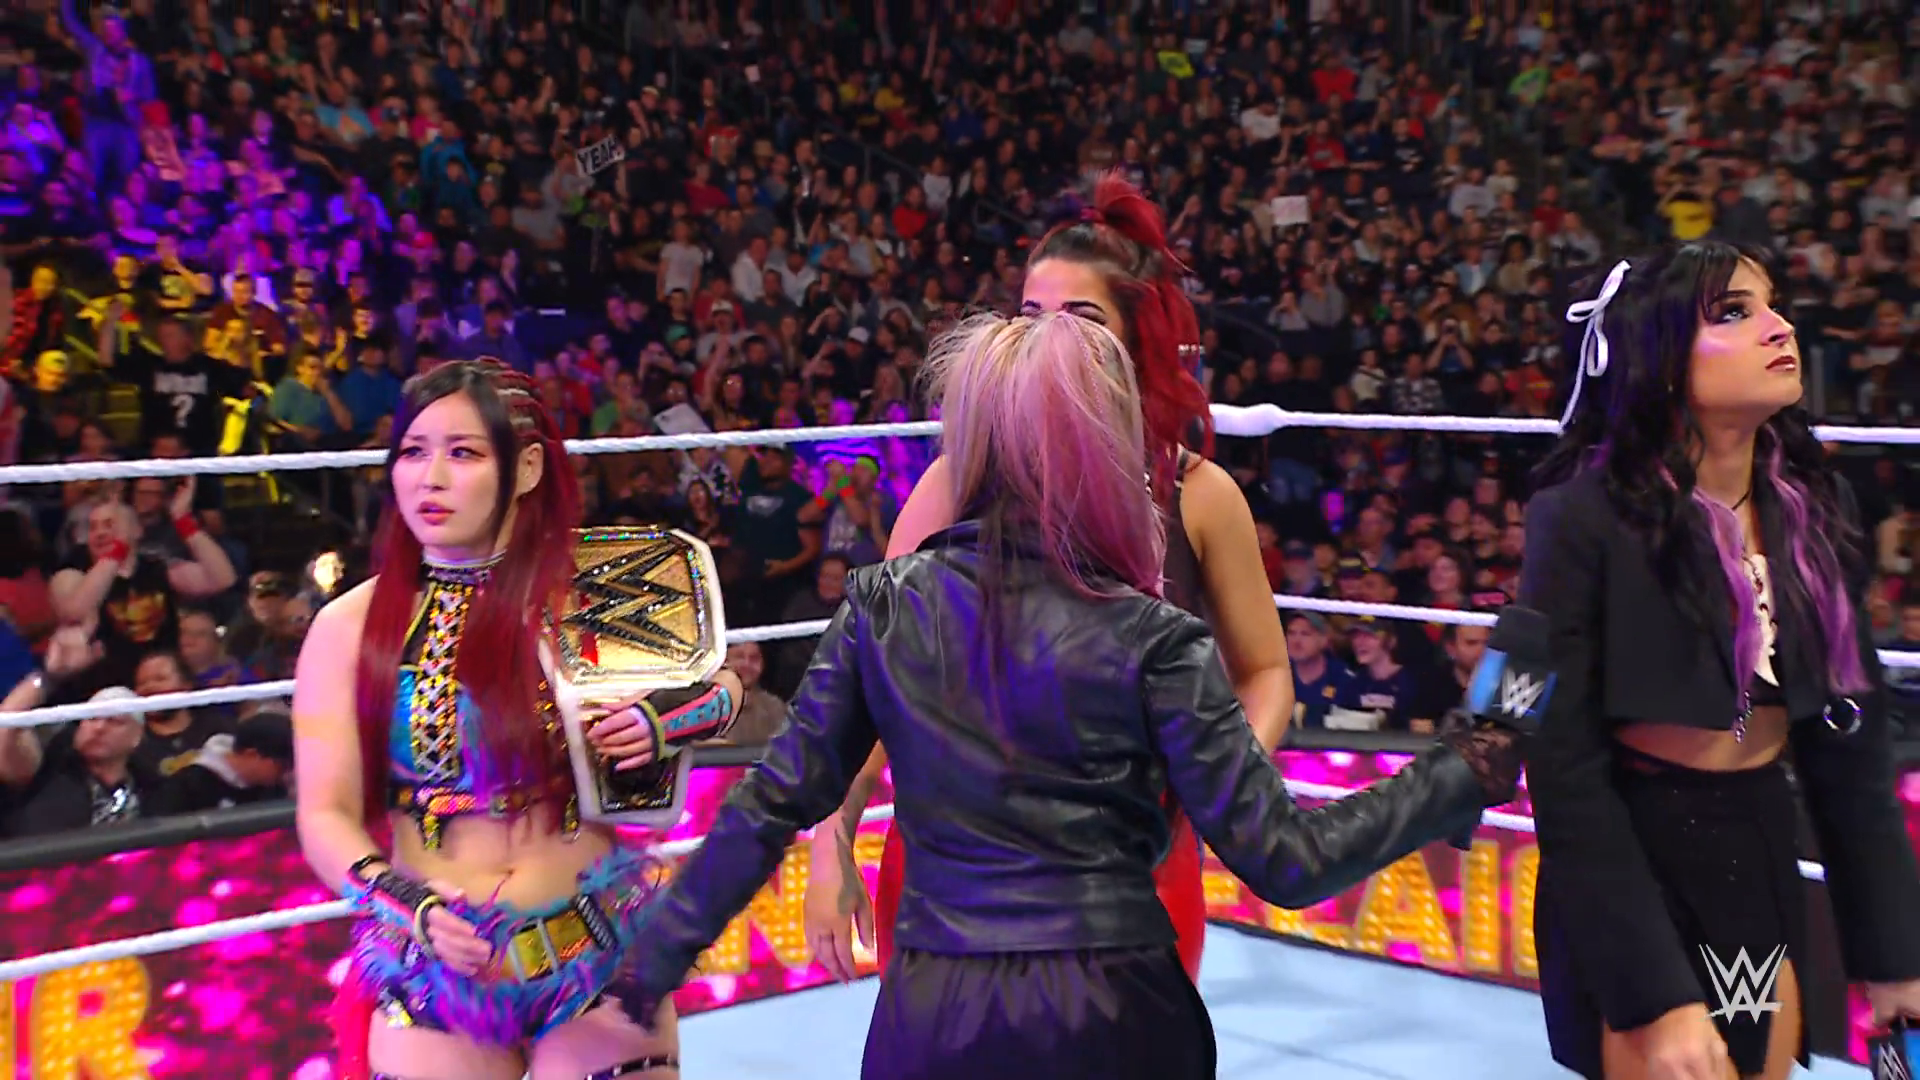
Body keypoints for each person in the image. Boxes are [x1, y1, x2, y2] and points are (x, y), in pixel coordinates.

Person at [608, 311, 1526, 1079]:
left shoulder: (885, 609)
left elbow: (770, 804)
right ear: (1105, 448)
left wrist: (646, 969)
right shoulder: (1154, 636)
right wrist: (1460, 769)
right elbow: (1287, 859)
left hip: (937, 1011)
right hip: (1116, 1011)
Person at [804, 172, 1292, 982]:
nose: (1049, 342)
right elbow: (877, 678)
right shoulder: (958, 482)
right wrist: (834, 837)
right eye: (1031, 317)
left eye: (1082, 319)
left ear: (1134, 341)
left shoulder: (1198, 495)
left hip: (1129, 858)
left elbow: (1266, 670)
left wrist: (1222, 790)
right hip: (955, 861)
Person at [1521, 244, 1920, 1080]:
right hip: (1636, 858)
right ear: (1661, 355)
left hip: (1758, 839)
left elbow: (1851, 753)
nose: (1779, 328)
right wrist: (1654, 995)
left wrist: (1893, 955)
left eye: (1773, 304)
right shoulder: (1583, 517)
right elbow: (1562, 770)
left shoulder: (1814, 511)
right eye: (1734, 312)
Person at [292, 360, 742, 1080]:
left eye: (463, 452)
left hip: (595, 951)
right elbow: (324, 814)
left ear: (527, 467)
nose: (431, 477)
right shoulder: (348, 627)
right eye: (413, 452)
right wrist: (407, 903)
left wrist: (665, 721)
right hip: (436, 969)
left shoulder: (594, 589)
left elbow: (726, 688)